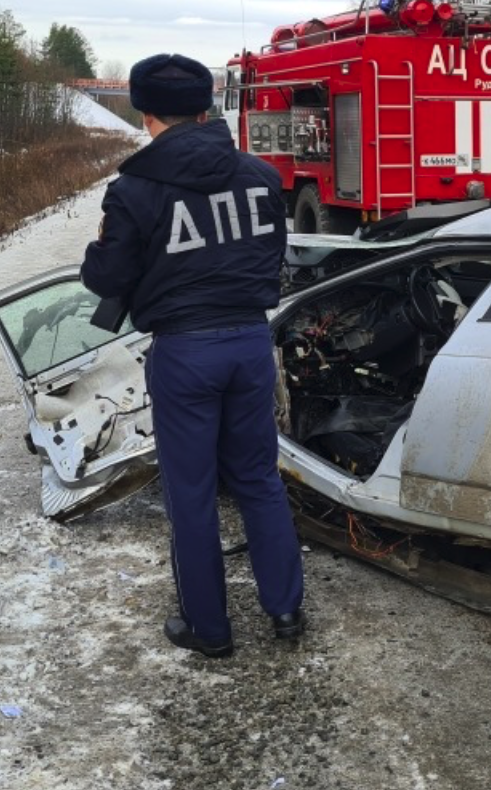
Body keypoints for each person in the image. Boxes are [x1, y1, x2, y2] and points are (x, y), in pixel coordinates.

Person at [82, 53, 304, 659]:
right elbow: (271, 257)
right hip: (251, 344)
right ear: (207, 107)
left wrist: (100, 247)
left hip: (185, 352)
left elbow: (105, 280)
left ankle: (209, 628)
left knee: (192, 492)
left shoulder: (134, 190)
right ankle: (285, 609)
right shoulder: (260, 176)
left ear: (143, 109)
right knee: (259, 478)